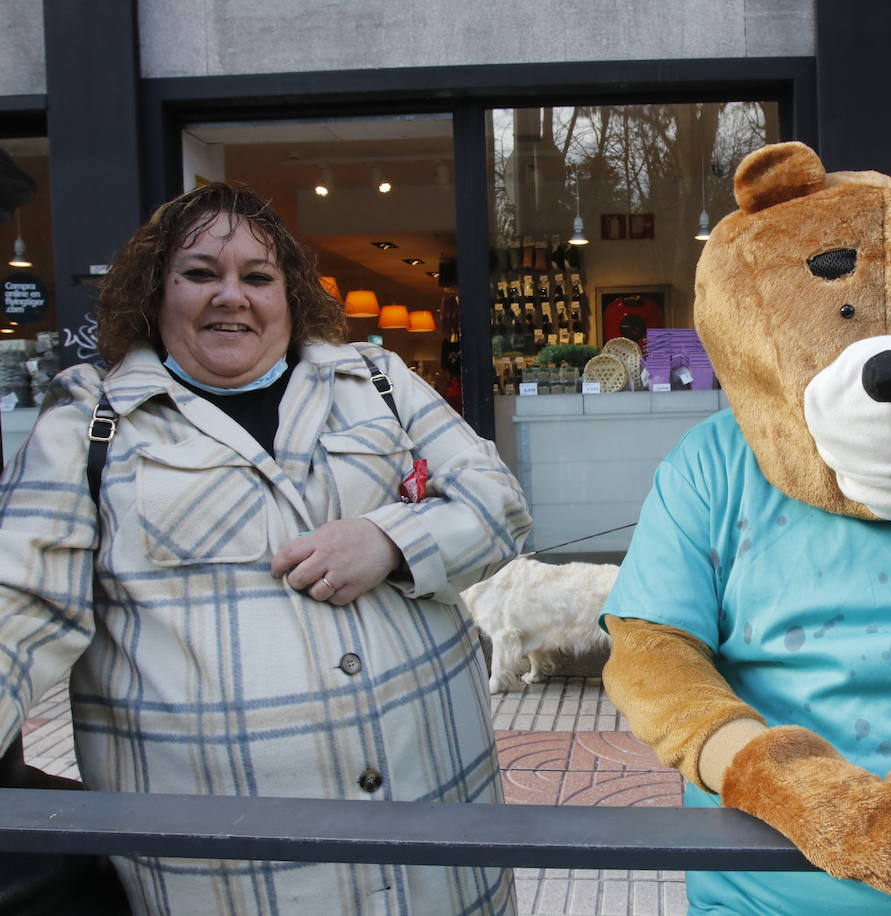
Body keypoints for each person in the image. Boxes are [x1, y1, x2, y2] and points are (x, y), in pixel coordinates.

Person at [0, 183, 531, 915]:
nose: (232, 296)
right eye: (200, 274)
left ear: (290, 295)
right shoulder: (90, 423)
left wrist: (389, 539)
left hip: (437, 832)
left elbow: (497, 501)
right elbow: (18, 602)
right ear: (155, 292)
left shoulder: (376, 381)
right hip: (233, 872)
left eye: (257, 277)